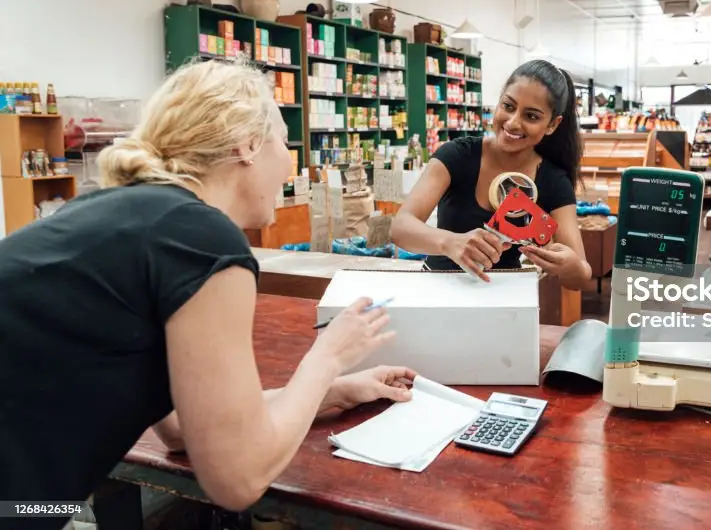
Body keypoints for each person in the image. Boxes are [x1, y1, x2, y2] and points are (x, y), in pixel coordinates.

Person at [0, 60, 412, 527]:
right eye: (283, 140)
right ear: (249, 144)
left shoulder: (127, 215)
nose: (289, 161)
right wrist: (327, 357)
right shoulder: (200, 236)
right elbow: (237, 480)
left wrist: (333, 392)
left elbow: (178, 431)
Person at [391, 59, 591, 288]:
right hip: (439, 289)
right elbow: (401, 227)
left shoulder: (552, 180)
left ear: (552, 125)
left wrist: (570, 266)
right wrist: (449, 242)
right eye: (508, 106)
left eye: (531, 116)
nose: (513, 122)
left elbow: (581, 275)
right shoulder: (456, 155)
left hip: (504, 297)